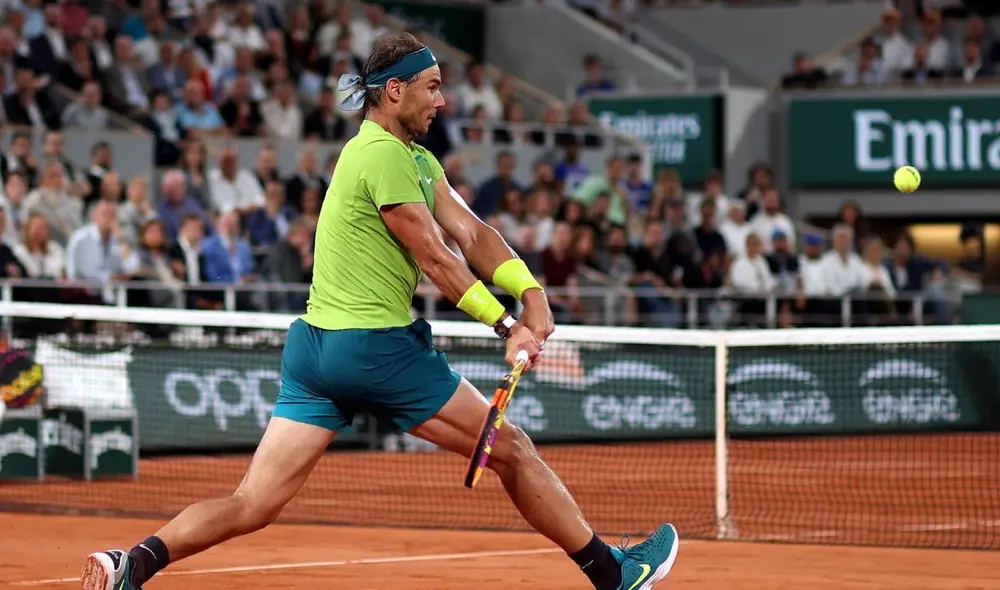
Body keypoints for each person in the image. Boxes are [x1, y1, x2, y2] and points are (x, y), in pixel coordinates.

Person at [81, 33, 678, 590]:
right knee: (514, 451)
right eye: (432, 87)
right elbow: (438, 260)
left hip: (315, 352)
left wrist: (532, 294)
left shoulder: (414, 160)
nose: (442, 101)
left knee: (252, 503)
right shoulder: (382, 155)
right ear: (395, 90)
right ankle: (611, 572)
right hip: (375, 350)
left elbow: (472, 234)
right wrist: (506, 325)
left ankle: (131, 564)